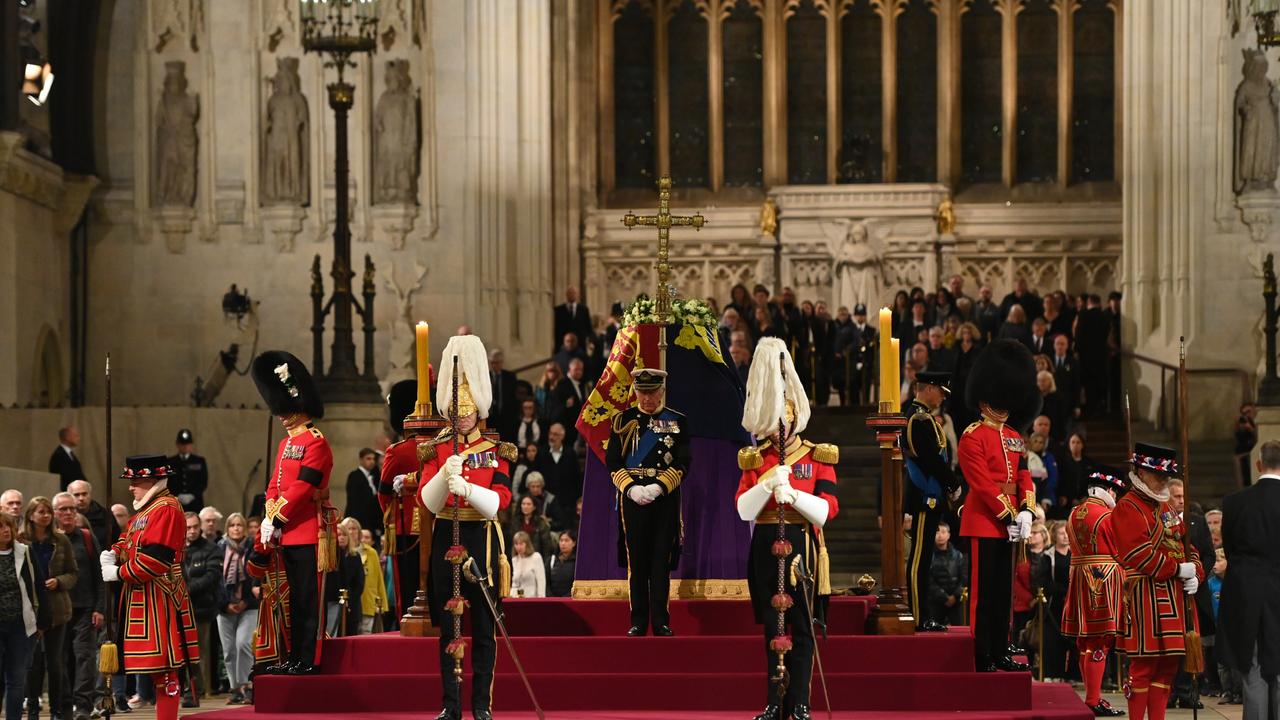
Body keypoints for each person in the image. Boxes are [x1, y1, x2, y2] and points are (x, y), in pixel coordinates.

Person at [735, 338, 839, 720]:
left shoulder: (817, 456)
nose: (779, 430)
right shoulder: (755, 458)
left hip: (801, 547)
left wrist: (792, 494)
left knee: (800, 627)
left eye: (785, 421)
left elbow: (826, 512)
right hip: (764, 542)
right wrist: (765, 485)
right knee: (770, 629)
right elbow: (744, 509)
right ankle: (773, 702)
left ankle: (800, 702)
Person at [417, 334, 516, 720]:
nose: (462, 417)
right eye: (456, 412)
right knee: (449, 627)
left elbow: (500, 503)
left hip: (482, 538)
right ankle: (451, 704)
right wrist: (444, 475)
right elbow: (427, 501)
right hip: (447, 534)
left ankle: (481, 706)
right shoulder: (437, 449)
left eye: (467, 411)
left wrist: (469, 487)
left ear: (478, 411)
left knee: (485, 628)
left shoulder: (497, 450)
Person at [957, 340, 1039, 672]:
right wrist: (1009, 513)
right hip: (983, 521)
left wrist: (1027, 510)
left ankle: (1002, 647)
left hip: (1011, 523)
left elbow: (1024, 474)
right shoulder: (972, 436)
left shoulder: (1014, 435)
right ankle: (982, 652)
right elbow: (982, 485)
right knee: (983, 593)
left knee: (1003, 594)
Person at [251, 350, 334, 676]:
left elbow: (303, 488)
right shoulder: (287, 445)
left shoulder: (316, 443)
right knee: (294, 600)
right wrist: (269, 516)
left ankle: (309, 658)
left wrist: (277, 517)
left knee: (308, 600)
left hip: (309, 530)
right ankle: (295, 656)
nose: (282, 417)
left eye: (286, 411)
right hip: (288, 532)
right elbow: (276, 483)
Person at [101, 455, 201, 720]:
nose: (131, 487)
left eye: (136, 481)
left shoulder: (166, 508)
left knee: (166, 668)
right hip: (142, 595)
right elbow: (129, 539)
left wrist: (119, 572)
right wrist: (113, 551)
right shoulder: (145, 511)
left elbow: (156, 559)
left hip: (160, 594)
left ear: (152, 480)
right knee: (156, 667)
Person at [1111, 442, 1204, 720]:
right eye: (1157, 474)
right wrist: (1178, 569)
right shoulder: (1128, 507)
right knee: (1143, 668)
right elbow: (1138, 555)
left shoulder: (1166, 505)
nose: (1163, 479)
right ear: (1140, 471)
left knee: (1167, 668)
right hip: (1145, 597)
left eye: (1166, 475)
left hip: (1175, 597)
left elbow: (1189, 546)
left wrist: (1196, 573)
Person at [606, 368, 690, 638]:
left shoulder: (677, 422)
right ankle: (638, 621)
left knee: (660, 561)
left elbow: (683, 462)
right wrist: (630, 489)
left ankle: (661, 621)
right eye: (642, 392)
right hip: (632, 498)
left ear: (662, 391)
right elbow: (613, 461)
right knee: (637, 562)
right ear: (635, 391)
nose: (647, 398)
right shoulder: (622, 420)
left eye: (652, 392)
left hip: (663, 498)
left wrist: (658, 487)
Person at [1218, 440, 1280, 720]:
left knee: (1252, 665)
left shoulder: (1234, 502)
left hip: (1246, 593)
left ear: (1258, 464)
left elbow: (1230, 549)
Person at [1060, 466, 1127, 716]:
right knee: (1100, 641)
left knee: (1085, 641)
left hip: (1078, 575)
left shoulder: (1074, 513)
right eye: (1116, 492)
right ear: (1109, 490)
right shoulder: (1108, 516)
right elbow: (1120, 550)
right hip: (1103, 578)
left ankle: (1092, 696)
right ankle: (1093, 699)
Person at [902, 371, 961, 631]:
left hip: (932, 496)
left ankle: (922, 614)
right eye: (940, 391)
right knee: (919, 559)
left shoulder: (925, 418)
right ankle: (917, 615)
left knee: (924, 558)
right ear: (927, 389)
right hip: (925, 496)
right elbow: (930, 460)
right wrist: (952, 482)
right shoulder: (917, 419)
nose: (942, 397)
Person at [380, 378, 434, 621]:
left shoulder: (398, 451)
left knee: (407, 590)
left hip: (404, 527)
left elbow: (383, 493)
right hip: (436, 525)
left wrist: (389, 520)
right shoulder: (439, 447)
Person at [22, 496, 77, 720]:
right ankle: (33, 710)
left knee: (55, 664)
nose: (46, 516)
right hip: (30, 610)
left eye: (48, 512)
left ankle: (57, 711)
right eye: (41, 512)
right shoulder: (21, 540)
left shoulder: (61, 541)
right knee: (33, 665)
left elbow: (73, 573)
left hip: (57, 609)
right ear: (31, 515)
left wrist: (59, 581)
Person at [53, 491, 102, 720]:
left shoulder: (87, 537)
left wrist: (100, 608)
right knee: (60, 659)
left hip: (85, 608)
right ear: (55, 513)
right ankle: (64, 705)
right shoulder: (49, 539)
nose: (69, 513)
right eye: (64, 509)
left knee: (85, 657)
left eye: (72, 508)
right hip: (57, 610)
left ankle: (83, 705)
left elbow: (99, 575)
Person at [0, 511, 50, 720]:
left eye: (7, 526)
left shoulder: (24, 552)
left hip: (21, 625)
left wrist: (42, 622)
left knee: (16, 679)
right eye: (0, 527)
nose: (5, 530)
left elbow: (39, 586)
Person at [215, 514, 256, 705]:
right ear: (227, 528)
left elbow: (255, 577)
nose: (237, 528)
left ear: (245, 528)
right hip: (225, 607)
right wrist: (225, 604)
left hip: (248, 605)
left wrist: (245, 601)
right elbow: (216, 581)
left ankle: (247, 685)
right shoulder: (219, 548)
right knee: (229, 650)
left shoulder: (253, 548)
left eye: (240, 525)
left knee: (244, 644)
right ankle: (236, 688)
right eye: (233, 525)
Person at [183, 511, 221, 704]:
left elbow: (211, 577)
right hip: (179, 608)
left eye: (195, 527)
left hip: (201, 608)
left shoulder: (211, 549)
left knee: (198, 652)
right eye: (187, 527)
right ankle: (181, 689)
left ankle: (196, 690)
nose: (191, 531)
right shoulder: (175, 549)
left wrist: (187, 589)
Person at [340, 518, 386, 636]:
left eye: (354, 529)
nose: (351, 532)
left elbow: (379, 578)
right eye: (348, 529)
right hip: (344, 602)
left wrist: (382, 602)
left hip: (367, 600)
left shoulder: (371, 552)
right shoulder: (339, 552)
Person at [322, 524, 363, 638]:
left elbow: (357, 583)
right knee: (330, 631)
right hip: (330, 598)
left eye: (344, 534)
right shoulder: (328, 554)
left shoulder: (354, 556)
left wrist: (347, 599)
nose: (341, 537)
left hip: (345, 600)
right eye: (338, 535)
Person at [926, 522, 967, 628]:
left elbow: (964, 578)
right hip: (935, 601)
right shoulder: (928, 556)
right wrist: (943, 597)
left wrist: (955, 596)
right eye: (937, 533)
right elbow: (928, 579)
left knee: (959, 630)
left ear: (949, 535)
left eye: (943, 532)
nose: (940, 536)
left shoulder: (958, 555)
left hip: (955, 600)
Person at [66, 481, 120, 555]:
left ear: (90, 494)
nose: (81, 498)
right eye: (76, 495)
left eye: (84, 494)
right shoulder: (64, 516)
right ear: (69, 497)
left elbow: (117, 541)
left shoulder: (105, 515)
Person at [343, 448, 383, 541]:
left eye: (373, 459)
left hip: (372, 522)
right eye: (368, 459)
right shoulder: (354, 476)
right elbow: (353, 501)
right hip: (359, 520)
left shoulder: (375, 477)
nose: (372, 462)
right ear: (361, 460)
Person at [537, 423, 580, 508]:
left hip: (567, 501)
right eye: (550, 433)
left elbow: (576, 478)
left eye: (555, 434)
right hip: (546, 501)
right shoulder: (541, 453)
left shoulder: (570, 454)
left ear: (562, 436)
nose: (551, 437)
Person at [167, 429, 208, 513]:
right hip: (176, 502)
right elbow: (167, 482)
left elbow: (203, 481)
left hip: (195, 503)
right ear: (177, 444)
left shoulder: (199, 461)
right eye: (182, 444)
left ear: (191, 445)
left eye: (187, 444)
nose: (185, 446)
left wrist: (193, 495)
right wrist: (177, 495)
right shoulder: (170, 462)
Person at [553, 286, 592, 353]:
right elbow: (555, 329)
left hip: (580, 346)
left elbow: (588, 328)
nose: (572, 295)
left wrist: (589, 342)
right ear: (567, 294)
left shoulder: (584, 310)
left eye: (574, 293)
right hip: (563, 346)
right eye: (570, 293)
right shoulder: (558, 310)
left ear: (578, 295)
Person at [509, 531, 546, 598]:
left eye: (521, 544)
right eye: (516, 544)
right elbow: (515, 583)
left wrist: (541, 599)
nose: (518, 547)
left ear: (527, 544)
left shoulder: (536, 557)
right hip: (516, 600)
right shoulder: (514, 559)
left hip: (532, 600)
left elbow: (541, 581)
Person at [48, 427, 85, 492]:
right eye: (75, 435)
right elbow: (64, 477)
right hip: (67, 492)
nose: (78, 438)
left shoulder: (70, 454)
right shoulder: (58, 455)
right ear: (67, 437)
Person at [546, 530, 576, 598]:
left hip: (570, 599)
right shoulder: (551, 560)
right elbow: (546, 583)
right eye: (561, 540)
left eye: (566, 540)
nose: (563, 543)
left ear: (574, 543)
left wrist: (565, 598)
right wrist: (552, 598)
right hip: (552, 601)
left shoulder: (577, 562)